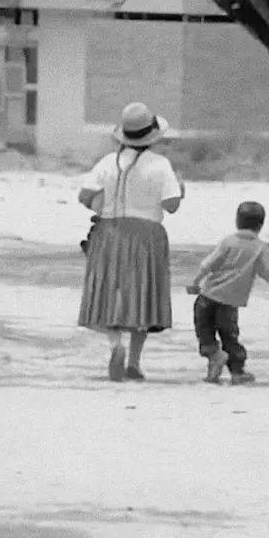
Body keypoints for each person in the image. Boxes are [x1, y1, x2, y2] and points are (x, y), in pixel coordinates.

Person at [77, 102, 185, 382]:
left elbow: (85, 195)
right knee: (142, 294)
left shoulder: (105, 163)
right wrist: (180, 190)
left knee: (110, 292)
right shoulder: (161, 165)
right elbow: (171, 205)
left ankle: (116, 345)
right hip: (146, 234)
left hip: (108, 233)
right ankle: (135, 362)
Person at [186, 201, 269, 385]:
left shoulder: (228, 241)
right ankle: (237, 371)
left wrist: (195, 282)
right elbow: (268, 274)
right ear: (261, 225)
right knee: (229, 337)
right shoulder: (260, 248)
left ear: (237, 221)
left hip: (206, 297)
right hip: (229, 304)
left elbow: (207, 265)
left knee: (204, 332)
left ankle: (215, 357)